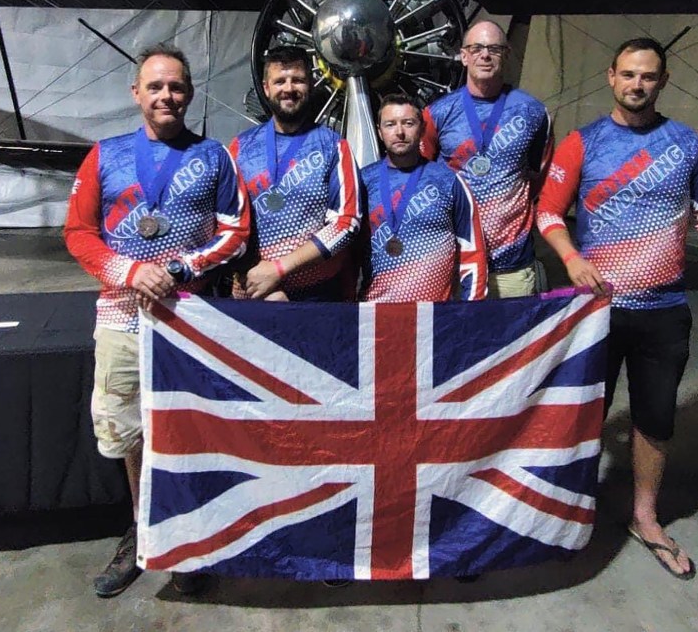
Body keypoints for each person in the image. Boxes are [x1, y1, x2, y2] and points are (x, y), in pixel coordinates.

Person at [536, 37, 698, 580]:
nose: (637, 85)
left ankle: (644, 518)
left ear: (662, 81)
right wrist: (572, 258)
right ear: (611, 77)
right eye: (628, 75)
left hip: (664, 311)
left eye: (647, 76)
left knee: (656, 418)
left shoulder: (689, 145)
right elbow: (548, 213)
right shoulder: (582, 143)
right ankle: (567, 511)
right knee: (582, 415)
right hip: (594, 313)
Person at [64, 44, 249, 598]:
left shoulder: (215, 156)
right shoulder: (105, 153)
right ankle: (144, 531)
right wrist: (129, 270)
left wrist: (179, 266)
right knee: (129, 430)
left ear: (189, 94)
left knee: (188, 427)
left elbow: (235, 231)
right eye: (156, 87)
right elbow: (78, 233)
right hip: (122, 314)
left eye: (176, 87)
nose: (166, 96)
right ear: (136, 93)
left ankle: (188, 541)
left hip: (190, 316)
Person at [421, 20, 553, 298]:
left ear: (505, 54)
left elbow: (538, 179)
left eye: (494, 48)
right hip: (455, 265)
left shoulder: (533, 113)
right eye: (477, 47)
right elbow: (422, 180)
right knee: (455, 341)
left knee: (516, 341)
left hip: (511, 268)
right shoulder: (438, 114)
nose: (485, 55)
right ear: (464, 55)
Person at [227, 44, 361, 301]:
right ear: (266, 88)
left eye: (297, 80)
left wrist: (279, 268)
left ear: (310, 84)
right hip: (256, 292)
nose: (288, 89)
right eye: (280, 81)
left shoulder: (334, 146)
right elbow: (226, 222)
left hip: (320, 296)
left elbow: (347, 222)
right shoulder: (240, 148)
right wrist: (245, 273)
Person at [359, 94, 487, 302]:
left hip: (435, 318)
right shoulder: (362, 182)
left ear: (422, 127)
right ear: (380, 132)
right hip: (374, 318)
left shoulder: (449, 181)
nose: (399, 132)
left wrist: (471, 310)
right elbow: (347, 257)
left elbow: (472, 251)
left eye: (408, 123)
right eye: (390, 124)